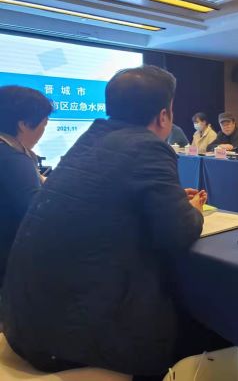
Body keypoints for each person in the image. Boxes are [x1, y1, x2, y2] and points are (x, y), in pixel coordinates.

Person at [2, 66, 225, 380]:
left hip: (25, 323)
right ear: (164, 115)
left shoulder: (90, 139)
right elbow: (179, 232)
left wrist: (173, 199)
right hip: (71, 340)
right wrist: (193, 209)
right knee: (212, 325)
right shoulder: (148, 146)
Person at [0, 85, 52, 284]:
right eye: (44, 124)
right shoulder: (13, 159)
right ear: (23, 124)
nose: (43, 131)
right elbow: (37, 213)